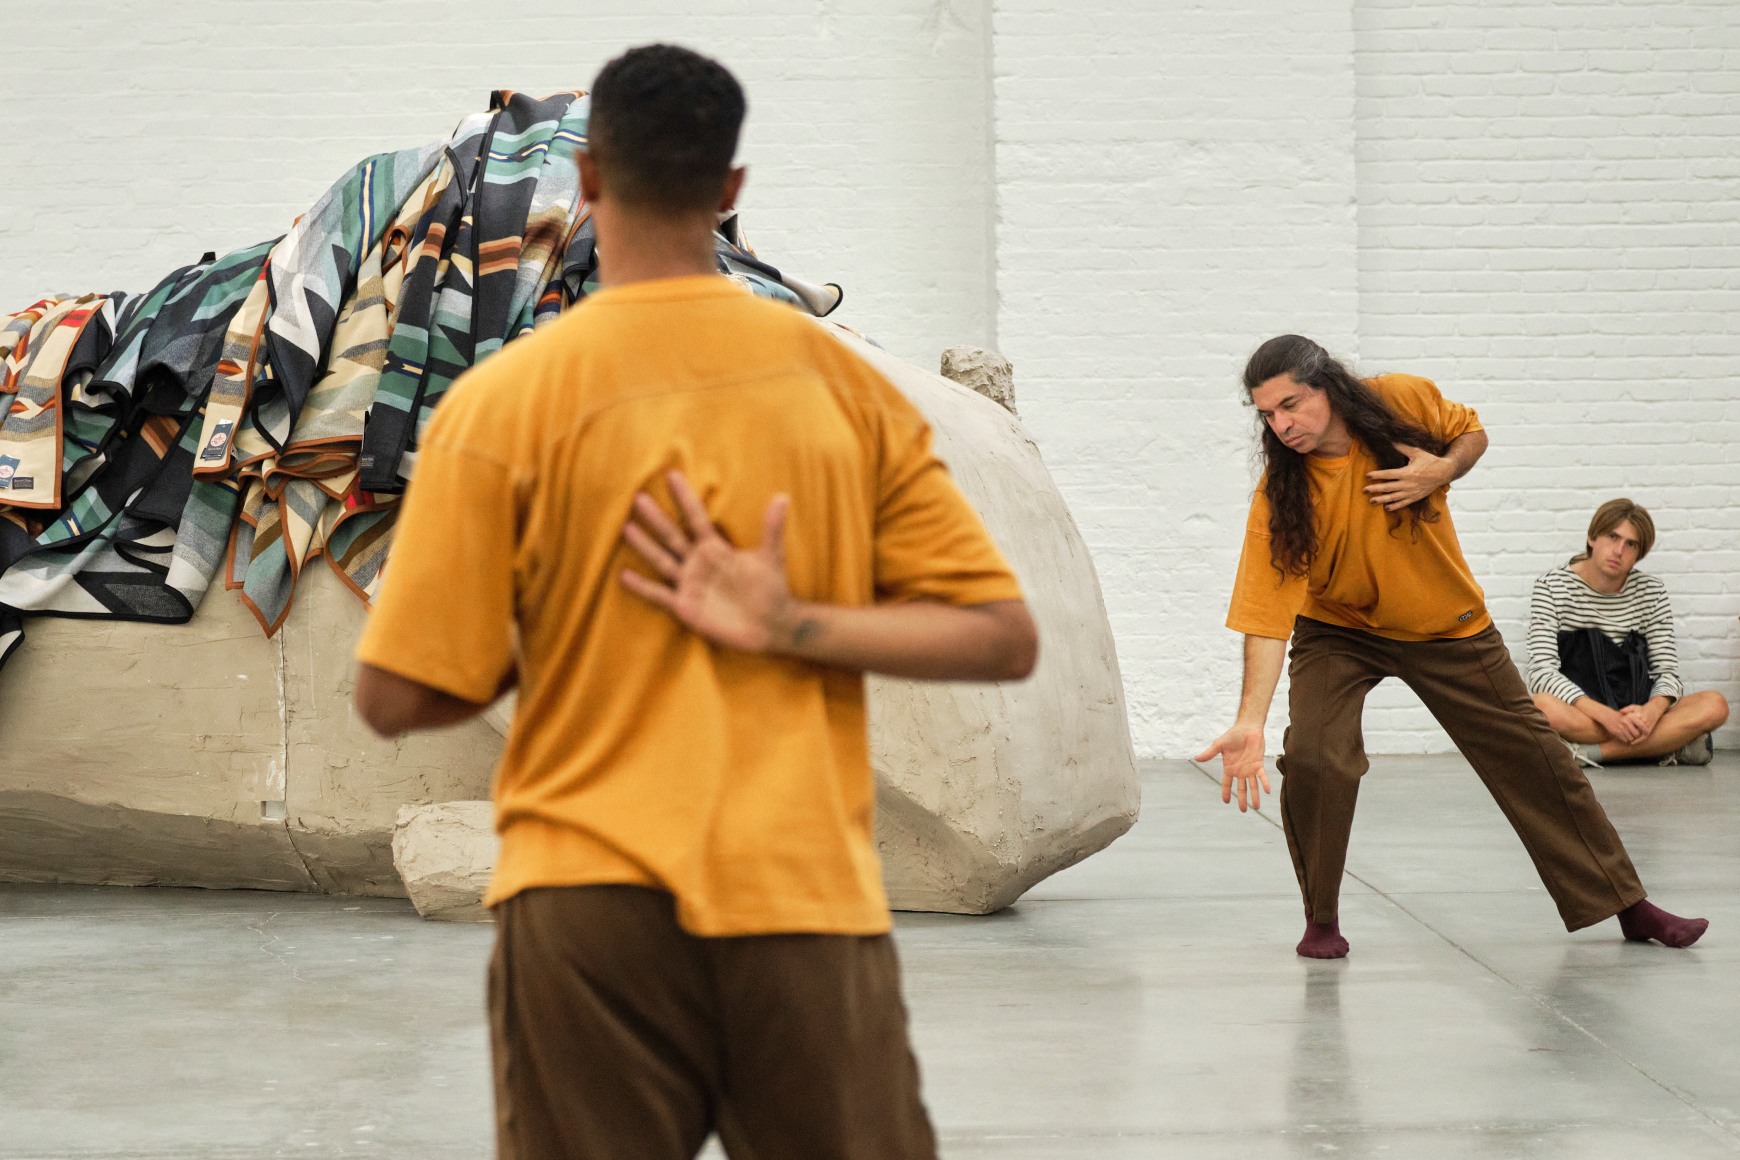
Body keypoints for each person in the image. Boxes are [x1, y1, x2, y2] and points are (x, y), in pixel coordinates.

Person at [350, 45, 1038, 1160]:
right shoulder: (840, 384)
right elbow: (1002, 637)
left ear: (585, 178)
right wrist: (793, 624)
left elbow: (394, 696)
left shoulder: (499, 405)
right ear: (729, 190)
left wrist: (537, 628)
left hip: (583, 906)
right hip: (801, 896)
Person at [1194, 334, 1707, 959]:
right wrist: (1250, 720)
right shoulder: (1283, 494)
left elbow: (1471, 432)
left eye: (1292, 405)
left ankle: (1629, 905)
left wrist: (1442, 468)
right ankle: (1321, 920)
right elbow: (1266, 617)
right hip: (1339, 630)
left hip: (1446, 623)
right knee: (1316, 757)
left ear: (1326, 385)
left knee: (1536, 758)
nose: (1282, 426)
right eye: (1267, 415)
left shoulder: (1398, 401)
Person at [1528, 498, 1729, 768]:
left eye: (1630, 544)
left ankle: (1592, 753)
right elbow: (1542, 673)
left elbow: (1667, 671)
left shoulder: (1651, 591)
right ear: (1592, 537)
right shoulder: (1551, 587)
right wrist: (1606, 716)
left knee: (1715, 705)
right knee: (1540, 706)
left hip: (1638, 710)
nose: (1619, 550)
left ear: (1639, 553)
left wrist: (1651, 711)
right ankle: (1665, 746)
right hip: (1583, 712)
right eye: (1613, 537)